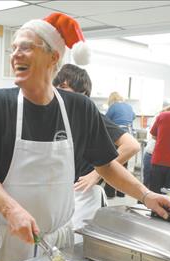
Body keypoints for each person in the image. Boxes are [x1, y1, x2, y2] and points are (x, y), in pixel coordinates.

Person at [0, 12, 170, 261]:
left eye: (27, 47)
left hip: (58, 240)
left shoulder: (79, 108)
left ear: (54, 57)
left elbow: (106, 165)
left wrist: (146, 196)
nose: (16, 54)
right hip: (7, 237)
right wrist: (11, 210)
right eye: (14, 48)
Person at [52, 64, 140, 230]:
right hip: (57, 196)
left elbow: (131, 146)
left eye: (64, 87)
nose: (58, 91)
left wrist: (96, 174)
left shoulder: (90, 117)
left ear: (83, 94)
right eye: (57, 86)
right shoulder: (55, 116)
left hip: (82, 196)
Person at [143, 88, 170, 188]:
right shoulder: (161, 115)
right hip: (153, 157)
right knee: (148, 190)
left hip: (167, 161)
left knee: (164, 194)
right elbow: (153, 137)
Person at [104, 91, 136, 198]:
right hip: (129, 135)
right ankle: (121, 193)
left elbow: (105, 120)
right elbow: (133, 117)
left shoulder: (113, 106)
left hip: (118, 135)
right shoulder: (128, 106)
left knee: (113, 163)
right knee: (123, 163)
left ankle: (110, 192)